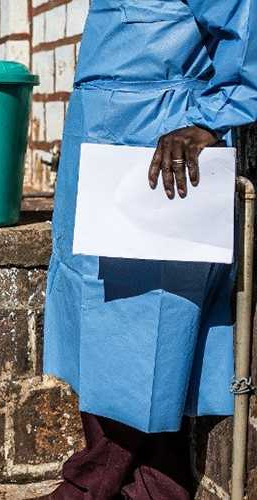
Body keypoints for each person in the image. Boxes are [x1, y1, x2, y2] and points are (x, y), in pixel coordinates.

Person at [42, 0, 256, 498]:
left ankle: (102, 479)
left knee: (150, 319)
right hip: (97, 140)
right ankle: (145, 483)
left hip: (156, 143)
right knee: (95, 315)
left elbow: (244, 33)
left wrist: (207, 121)